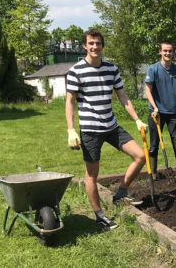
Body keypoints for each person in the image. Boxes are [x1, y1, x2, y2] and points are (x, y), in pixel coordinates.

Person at [66, 29, 149, 230]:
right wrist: (71, 129)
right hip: (90, 130)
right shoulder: (76, 71)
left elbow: (123, 96)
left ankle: (121, 194)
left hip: (111, 126)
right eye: (91, 43)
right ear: (85, 46)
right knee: (92, 175)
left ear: (102, 46)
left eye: (98, 43)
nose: (95, 47)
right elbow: (70, 102)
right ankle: (100, 217)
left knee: (140, 156)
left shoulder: (111, 69)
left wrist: (137, 119)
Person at [145, 40, 176, 182]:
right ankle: (154, 174)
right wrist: (155, 107)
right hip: (156, 113)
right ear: (160, 52)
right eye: (165, 51)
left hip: (172, 113)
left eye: (170, 51)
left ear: (173, 52)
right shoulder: (153, 69)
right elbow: (148, 90)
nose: (167, 53)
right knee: (154, 145)